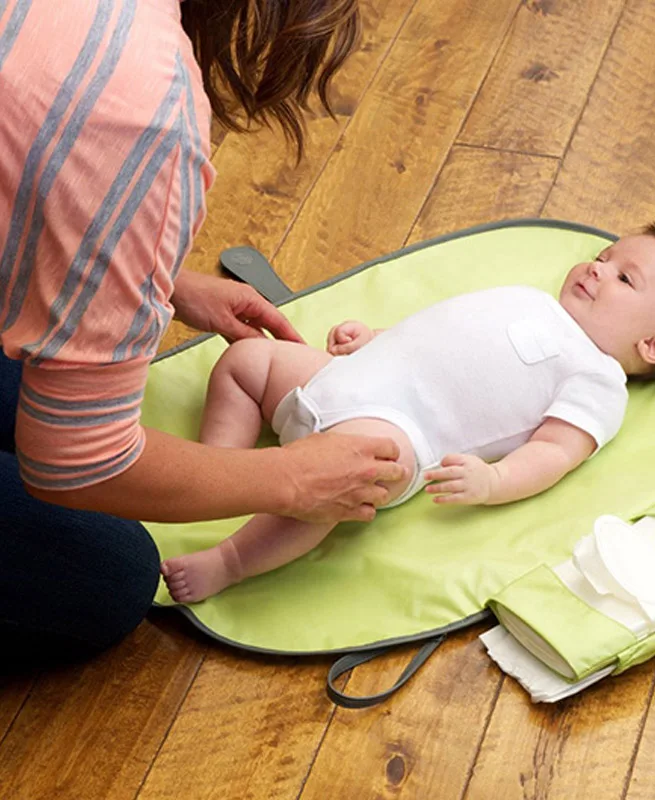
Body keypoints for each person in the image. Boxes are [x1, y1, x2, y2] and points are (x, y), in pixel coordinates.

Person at [0, 0, 408, 666]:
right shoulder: (147, 117)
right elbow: (73, 463)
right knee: (107, 576)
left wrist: (157, 276)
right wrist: (286, 479)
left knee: (29, 387)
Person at [160, 223, 655, 603]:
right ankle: (219, 465)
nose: (598, 268)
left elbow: (555, 452)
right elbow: (439, 334)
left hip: (396, 432)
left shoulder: (600, 379)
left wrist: (494, 480)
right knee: (246, 359)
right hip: (340, 378)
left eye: (624, 277)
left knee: (335, 486)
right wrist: (376, 339)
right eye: (605, 258)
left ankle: (231, 560)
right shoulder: (533, 299)